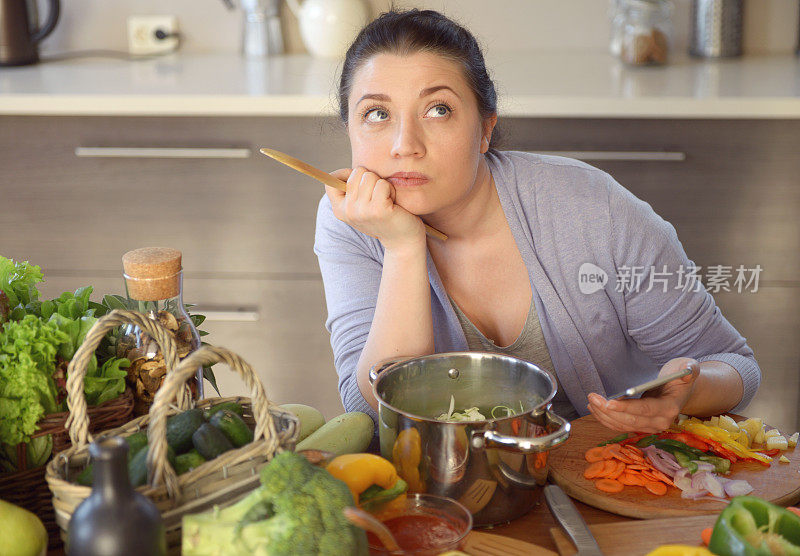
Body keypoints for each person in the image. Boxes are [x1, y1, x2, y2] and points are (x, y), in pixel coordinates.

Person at [313, 9, 760, 433]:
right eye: (376, 113)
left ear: (485, 128)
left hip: (605, 475)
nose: (403, 144)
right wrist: (403, 248)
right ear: (350, 128)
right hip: (453, 485)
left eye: (438, 109)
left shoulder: (592, 208)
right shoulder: (350, 221)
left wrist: (686, 391)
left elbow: (734, 365)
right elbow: (368, 406)